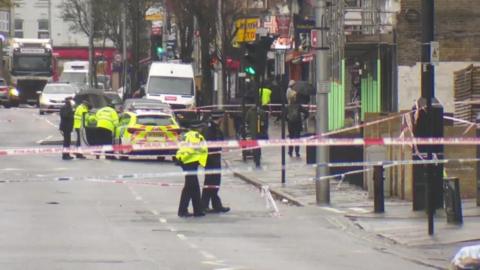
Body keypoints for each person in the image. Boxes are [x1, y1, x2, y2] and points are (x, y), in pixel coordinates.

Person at [176, 124, 208, 217]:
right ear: (198, 128)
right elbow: (193, 149)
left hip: (186, 161)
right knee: (189, 188)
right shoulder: (196, 136)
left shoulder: (186, 135)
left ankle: (197, 210)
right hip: (190, 161)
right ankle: (183, 211)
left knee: (194, 187)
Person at [201, 109, 230, 213]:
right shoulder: (210, 129)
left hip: (214, 158)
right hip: (211, 159)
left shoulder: (214, 128)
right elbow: (209, 144)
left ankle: (215, 205)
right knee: (210, 182)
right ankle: (204, 205)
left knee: (214, 183)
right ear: (220, 118)